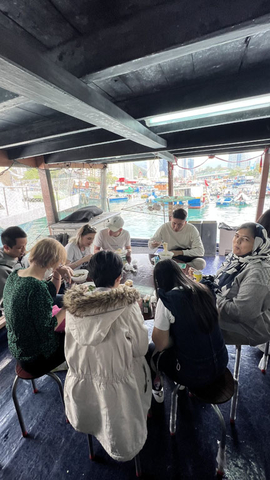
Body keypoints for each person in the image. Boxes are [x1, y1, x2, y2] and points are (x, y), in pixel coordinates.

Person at [63, 251, 151, 462]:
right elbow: (140, 349)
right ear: (119, 277)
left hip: (81, 383)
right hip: (118, 390)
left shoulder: (74, 309)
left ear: (90, 277)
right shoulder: (127, 307)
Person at [150, 259, 228, 401]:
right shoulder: (204, 289)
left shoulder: (167, 300)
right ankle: (179, 383)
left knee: (151, 350)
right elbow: (215, 320)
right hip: (222, 362)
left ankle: (157, 388)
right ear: (180, 273)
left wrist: (175, 338)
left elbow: (160, 343)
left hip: (193, 373)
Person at [3, 238, 73, 376]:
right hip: (35, 359)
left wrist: (57, 273)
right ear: (54, 262)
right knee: (77, 334)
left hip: (18, 349)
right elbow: (49, 327)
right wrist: (67, 306)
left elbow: (48, 293)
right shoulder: (36, 287)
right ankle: (73, 369)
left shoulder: (16, 274)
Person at [214, 222, 270, 346]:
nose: (237, 241)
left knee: (194, 324)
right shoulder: (236, 259)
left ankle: (213, 363)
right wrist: (205, 280)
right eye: (236, 235)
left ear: (257, 244)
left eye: (245, 239)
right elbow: (221, 279)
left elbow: (241, 312)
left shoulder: (258, 271)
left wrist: (212, 297)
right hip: (226, 312)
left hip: (251, 327)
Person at [0, 226, 28, 309]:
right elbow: (6, 301)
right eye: (19, 248)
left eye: (25, 245)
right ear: (6, 247)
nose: (24, 250)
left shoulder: (21, 256)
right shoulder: (2, 270)